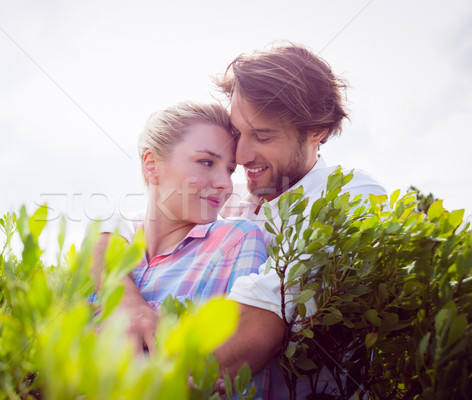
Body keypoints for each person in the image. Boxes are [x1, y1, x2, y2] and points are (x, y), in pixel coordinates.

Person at [98, 43, 387, 399]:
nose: (241, 154)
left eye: (262, 136)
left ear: (318, 132)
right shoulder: (232, 207)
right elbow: (114, 228)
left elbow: (258, 329)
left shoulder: (350, 194)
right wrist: (128, 303)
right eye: (238, 133)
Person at [94, 101, 268, 354]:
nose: (225, 184)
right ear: (152, 164)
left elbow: (235, 375)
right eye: (207, 162)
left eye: (230, 170)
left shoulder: (235, 241)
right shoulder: (110, 252)